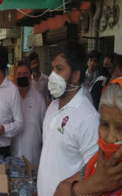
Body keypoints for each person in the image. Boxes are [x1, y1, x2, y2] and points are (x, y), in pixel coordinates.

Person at [37, 41, 99, 196]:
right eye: (52, 69)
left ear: (76, 75)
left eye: (59, 69)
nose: (53, 76)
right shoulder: (52, 106)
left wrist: (67, 187)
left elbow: (96, 169)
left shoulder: (88, 118)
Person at [54, 78, 122, 196]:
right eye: (105, 125)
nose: (110, 138)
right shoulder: (98, 163)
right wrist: (95, 184)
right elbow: (59, 191)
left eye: (120, 129)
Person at [11, 61, 46, 166]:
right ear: (15, 78)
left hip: (33, 157)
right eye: (19, 75)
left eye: (25, 74)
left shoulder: (39, 99)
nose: (22, 77)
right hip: (13, 156)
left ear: (30, 77)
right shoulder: (10, 98)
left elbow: (44, 128)